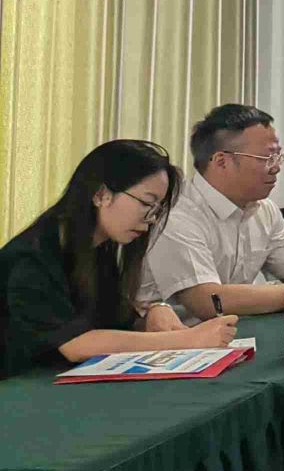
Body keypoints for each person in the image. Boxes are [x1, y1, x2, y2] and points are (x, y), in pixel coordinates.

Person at [1, 140, 239, 375]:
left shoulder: (98, 249)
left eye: (157, 210)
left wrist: (154, 312)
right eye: (147, 203)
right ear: (101, 195)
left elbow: (116, 320)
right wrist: (189, 339)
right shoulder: (32, 258)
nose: (152, 219)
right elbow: (77, 345)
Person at [139, 104, 284, 318]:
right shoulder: (179, 214)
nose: (276, 168)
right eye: (266, 157)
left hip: (236, 331)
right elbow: (208, 301)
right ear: (221, 161)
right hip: (176, 339)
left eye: (278, 156)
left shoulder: (264, 209)